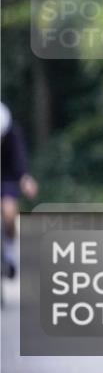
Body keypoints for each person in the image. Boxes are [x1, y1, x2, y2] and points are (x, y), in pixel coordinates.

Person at [1, 101, 38, 278]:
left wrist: (25, 179)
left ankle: (9, 253)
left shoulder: (13, 134)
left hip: (7, 177)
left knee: (8, 211)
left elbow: (20, 160)